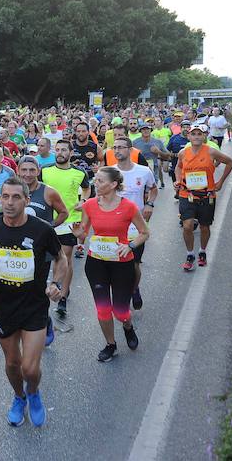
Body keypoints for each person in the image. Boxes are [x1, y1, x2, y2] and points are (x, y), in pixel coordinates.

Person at [0, 177, 67, 427]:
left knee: (30, 368)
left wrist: (56, 285)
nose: (9, 202)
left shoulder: (42, 230)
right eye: (5, 197)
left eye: (16, 197)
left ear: (27, 200)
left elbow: (61, 260)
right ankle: (19, 397)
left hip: (34, 305)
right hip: (4, 306)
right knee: (13, 364)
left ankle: (34, 393)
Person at [73, 167, 149, 362]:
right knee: (103, 309)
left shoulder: (129, 207)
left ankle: (128, 326)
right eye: (95, 180)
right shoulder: (89, 205)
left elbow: (144, 232)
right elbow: (83, 233)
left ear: (113, 184)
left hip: (121, 264)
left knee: (121, 311)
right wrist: (78, 235)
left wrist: (130, 246)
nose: (95, 184)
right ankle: (111, 344)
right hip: (96, 262)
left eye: (100, 181)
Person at [41, 139, 91, 318]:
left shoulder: (79, 172)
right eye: (58, 149)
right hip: (46, 222)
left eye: (64, 150)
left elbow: (87, 189)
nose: (60, 152)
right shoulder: (45, 170)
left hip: (69, 221)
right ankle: (45, 291)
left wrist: (83, 201)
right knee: (45, 259)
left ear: (71, 152)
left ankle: (62, 296)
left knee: (64, 258)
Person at [175, 124, 232, 271]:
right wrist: (177, 180)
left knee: (204, 226)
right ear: (189, 136)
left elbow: (230, 162)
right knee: (187, 225)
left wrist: (220, 182)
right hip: (186, 194)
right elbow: (178, 167)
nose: (196, 136)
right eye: (193, 134)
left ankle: (202, 251)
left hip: (206, 195)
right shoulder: (183, 152)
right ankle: (190, 254)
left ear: (204, 136)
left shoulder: (211, 151)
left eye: (199, 134)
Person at [112, 136, 158, 311]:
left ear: (130, 150)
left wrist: (149, 204)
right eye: (115, 147)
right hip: (114, 225)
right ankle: (120, 294)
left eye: (121, 147)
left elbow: (153, 189)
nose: (117, 150)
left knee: (134, 264)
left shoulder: (144, 171)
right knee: (116, 263)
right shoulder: (110, 172)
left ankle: (134, 289)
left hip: (135, 226)